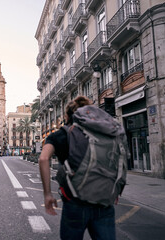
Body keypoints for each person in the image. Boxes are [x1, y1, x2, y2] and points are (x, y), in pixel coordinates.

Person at [39, 96, 117, 240]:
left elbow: (43, 158)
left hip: (75, 202)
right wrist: (116, 188)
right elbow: (114, 158)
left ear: (66, 116)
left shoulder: (59, 135)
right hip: (103, 201)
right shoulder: (101, 133)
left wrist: (47, 194)